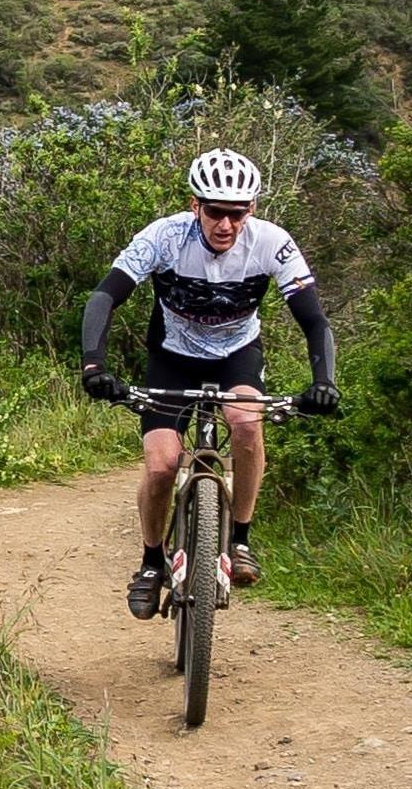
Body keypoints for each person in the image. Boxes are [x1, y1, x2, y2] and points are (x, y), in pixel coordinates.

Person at [78, 148, 340, 616]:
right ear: (195, 205)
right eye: (215, 212)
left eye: (237, 214)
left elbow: (315, 321)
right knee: (161, 465)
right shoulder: (164, 237)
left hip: (235, 355)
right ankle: (151, 561)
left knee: (244, 421)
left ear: (251, 210)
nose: (226, 225)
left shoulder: (271, 243)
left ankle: (239, 539)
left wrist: (325, 381)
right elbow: (105, 295)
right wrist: (94, 366)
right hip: (171, 358)